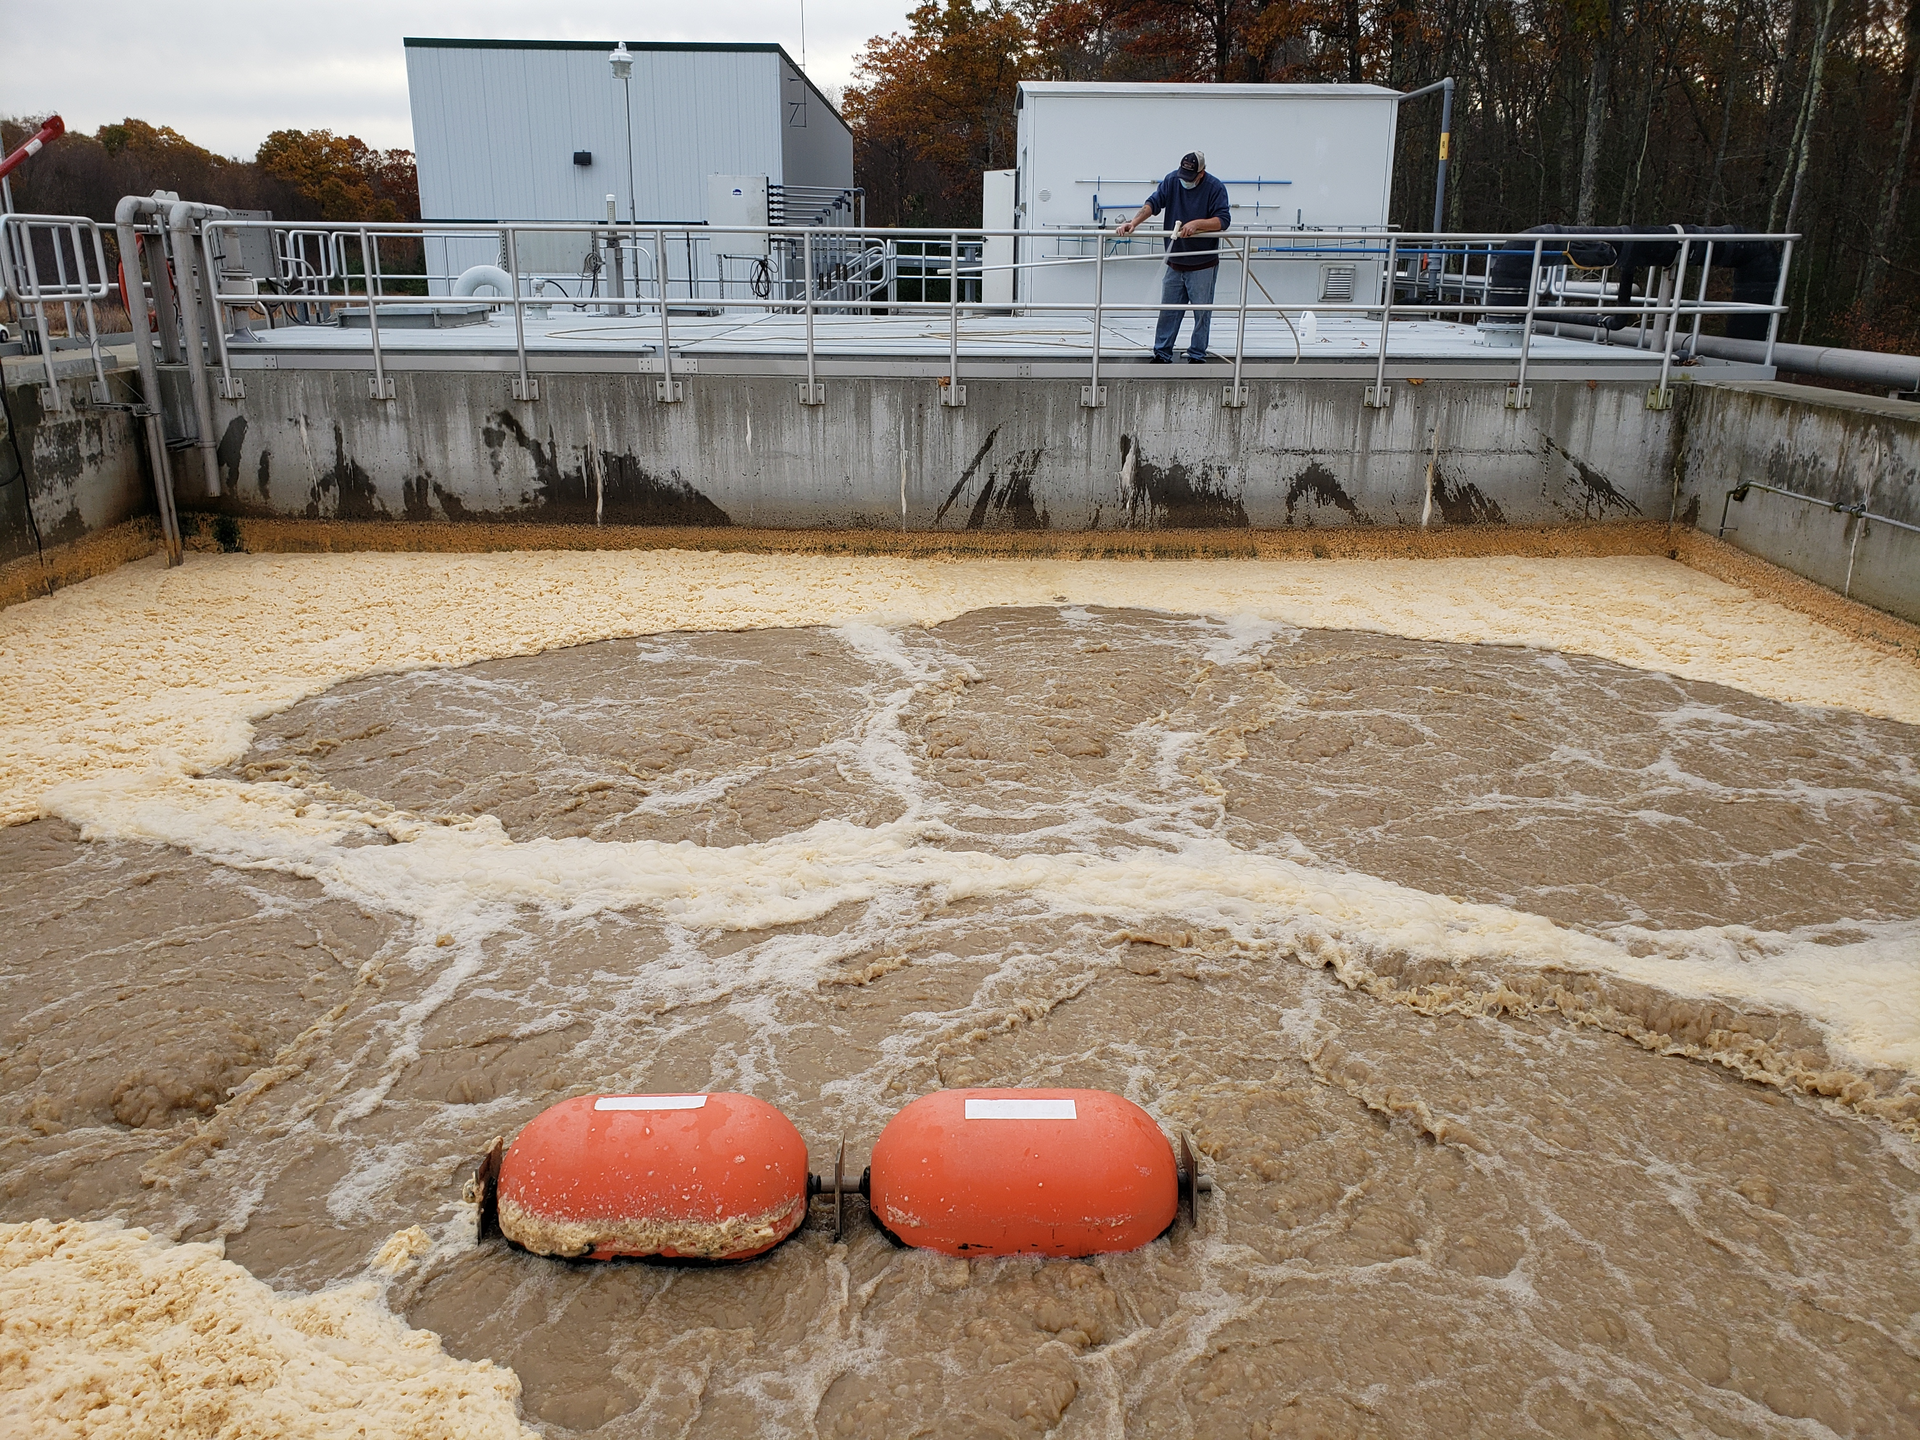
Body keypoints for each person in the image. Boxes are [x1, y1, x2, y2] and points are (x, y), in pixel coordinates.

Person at [1114, 151, 1231, 363]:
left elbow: (1222, 220)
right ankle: (1162, 353)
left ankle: (1197, 354)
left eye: (1190, 177)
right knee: (1168, 310)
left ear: (1201, 173)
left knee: (1202, 314)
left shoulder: (1215, 188)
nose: (1185, 181)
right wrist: (1133, 222)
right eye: (1183, 176)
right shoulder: (1172, 180)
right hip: (1175, 261)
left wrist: (1197, 224)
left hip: (1202, 263)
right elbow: (1153, 203)